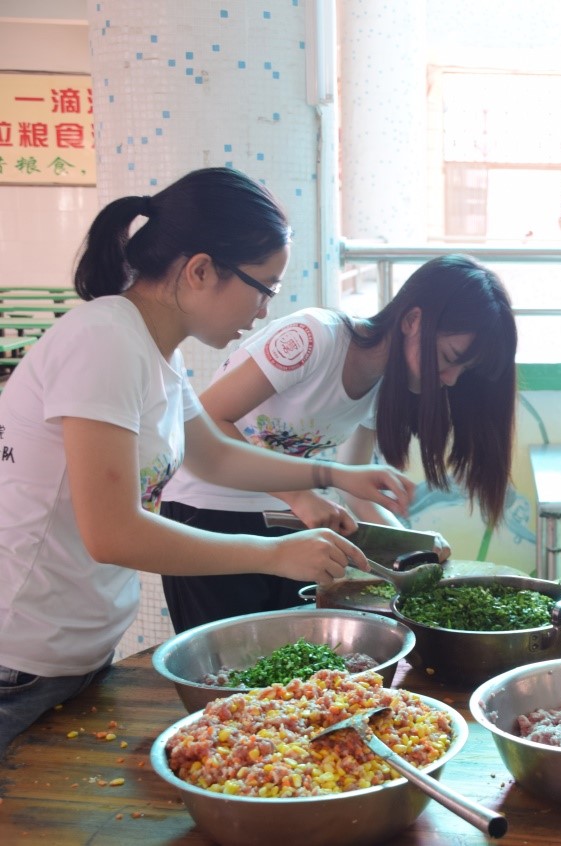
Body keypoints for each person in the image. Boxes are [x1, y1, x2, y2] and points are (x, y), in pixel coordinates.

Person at [0, 167, 416, 755]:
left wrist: (333, 475)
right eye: (263, 287)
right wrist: (273, 554)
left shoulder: (155, 353)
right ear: (200, 270)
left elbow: (215, 456)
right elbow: (111, 533)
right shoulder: (104, 341)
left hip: (74, 649)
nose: (264, 311)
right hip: (21, 655)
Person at [159, 254, 518, 632]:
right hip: (208, 515)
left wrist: (412, 546)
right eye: (449, 359)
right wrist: (299, 496)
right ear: (413, 320)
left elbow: (354, 490)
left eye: (463, 370)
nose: (450, 380)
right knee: (228, 660)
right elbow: (206, 421)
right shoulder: (313, 337)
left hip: (286, 524)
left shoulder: (383, 385)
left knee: (287, 661)